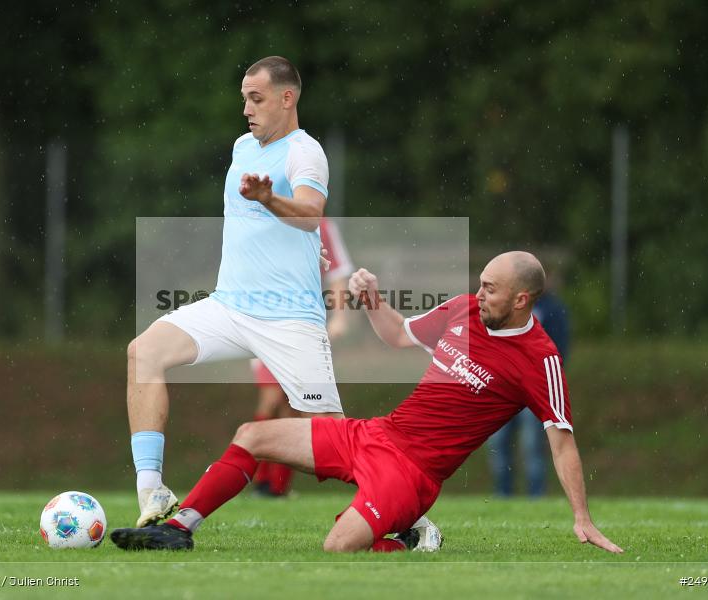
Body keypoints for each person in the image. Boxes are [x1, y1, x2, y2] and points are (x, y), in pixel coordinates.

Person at [110, 252, 624, 555]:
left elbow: (561, 443)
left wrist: (581, 517)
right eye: (480, 284)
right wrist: (372, 298)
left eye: (491, 289)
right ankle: (179, 530)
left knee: (336, 548)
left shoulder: (540, 359)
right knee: (252, 435)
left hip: (414, 474)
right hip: (377, 434)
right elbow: (399, 337)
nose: (479, 293)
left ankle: (409, 539)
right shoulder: (464, 311)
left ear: (521, 300)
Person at [125, 56, 345, 529]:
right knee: (144, 351)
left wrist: (272, 202)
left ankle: (406, 512)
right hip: (229, 306)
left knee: (334, 440)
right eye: (244, 97)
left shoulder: (305, 152)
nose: (246, 107)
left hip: (289, 318)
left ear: (287, 98)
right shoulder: (243, 146)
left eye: (256, 98)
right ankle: (153, 491)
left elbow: (310, 214)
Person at [251, 216, 354, 497]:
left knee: (292, 407)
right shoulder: (263, 223)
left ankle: (275, 486)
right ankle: (255, 474)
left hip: (302, 327)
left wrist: (340, 318)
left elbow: (338, 273)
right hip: (265, 324)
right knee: (272, 399)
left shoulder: (322, 226)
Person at [486, 283, 571, 497]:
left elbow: (560, 347)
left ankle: (536, 495)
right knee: (498, 444)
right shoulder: (503, 307)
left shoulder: (551, 309)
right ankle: (503, 494)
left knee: (532, 445)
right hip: (501, 388)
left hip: (533, 389)